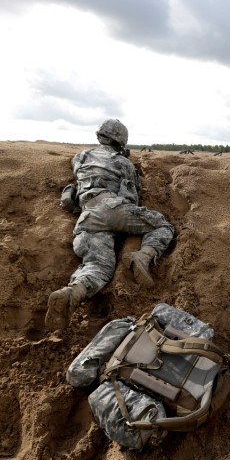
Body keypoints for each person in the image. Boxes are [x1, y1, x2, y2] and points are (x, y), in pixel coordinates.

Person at [45, 119, 175, 331]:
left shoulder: (81, 156)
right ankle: (143, 256)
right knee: (163, 226)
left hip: (87, 216)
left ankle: (73, 292)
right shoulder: (123, 163)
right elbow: (132, 197)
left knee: (99, 267)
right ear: (121, 142)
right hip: (113, 209)